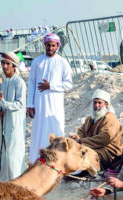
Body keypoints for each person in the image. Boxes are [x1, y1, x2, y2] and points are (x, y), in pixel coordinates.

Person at [27, 33, 73, 163]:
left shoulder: (62, 62)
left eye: (53, 45)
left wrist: (51, 86)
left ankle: (56, 161)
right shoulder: (37, 61)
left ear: (57, 46)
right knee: (38, 131)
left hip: (55, 107)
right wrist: (30, 104)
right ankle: (36, 161)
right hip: (39, 105)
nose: (50, 48)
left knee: (55, 131)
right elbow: (31, 83)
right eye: (48, 45)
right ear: (45, 45)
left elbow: (68, 83)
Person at [0, 52, 27, 181]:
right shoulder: (5, 83)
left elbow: (19, 104)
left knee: (14, 157)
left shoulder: (19, 83)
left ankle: (17, 184)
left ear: (14, 66)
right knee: (2, 155)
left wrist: (2, 103)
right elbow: (2, 103)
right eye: (3, 63)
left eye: (8, 64)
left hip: (14, 125)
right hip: (3, 124)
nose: (5, 66)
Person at [70, 89, 123, 170]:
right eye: (95, 102)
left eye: (99, 103)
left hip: (108, 151)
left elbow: (104, 138)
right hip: (93, 147)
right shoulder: (91, 118)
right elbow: (82, 131)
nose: (96, 105)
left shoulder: (110, 118)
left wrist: (81, 141)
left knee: (84, 155)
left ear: (106, 104)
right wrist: (77, 138)